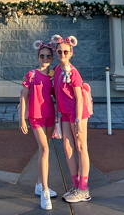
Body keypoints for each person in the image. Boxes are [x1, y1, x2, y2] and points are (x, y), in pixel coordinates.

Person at [51, 34, 91, 203]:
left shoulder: (74, 72)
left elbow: (79, 98)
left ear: (71, 52)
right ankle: (76, 186)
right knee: (68, 149)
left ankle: (84, 189)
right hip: (64, 114)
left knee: (81, 147)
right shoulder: (57, 70)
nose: (62, 55)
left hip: (77, 114)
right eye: (59, 52)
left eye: (66, 52)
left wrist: (79, 123)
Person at [19, 41, 58, 210]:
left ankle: (38, 184)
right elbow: (24, 96)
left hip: (50, 116)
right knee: (45, 149)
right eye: (42, 56)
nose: (45, 58)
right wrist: (22, 119)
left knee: (44, 149)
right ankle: (45, 192)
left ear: (52, 58)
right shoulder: (31, 74)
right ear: (38, 57)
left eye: (48, 56)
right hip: (36, 117)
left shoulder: (53, 74)